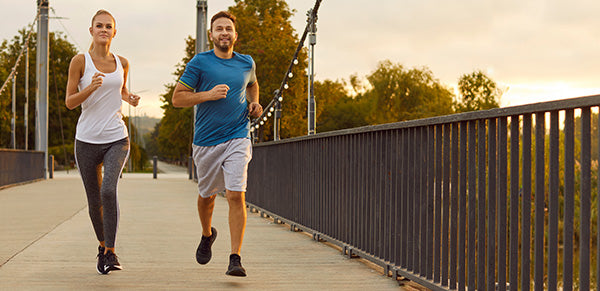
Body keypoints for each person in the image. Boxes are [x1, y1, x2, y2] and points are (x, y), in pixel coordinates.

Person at [172, 10, 262, 277]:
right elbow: (178, 99)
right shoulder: (200, 63)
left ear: (235, 35)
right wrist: (207, 95)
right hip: (206, 141)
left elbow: (253, 85)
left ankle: (235, 257)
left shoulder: (246, 63)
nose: (224, 33)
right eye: (219, 29)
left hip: (238, 135)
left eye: (228, 29)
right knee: (207, 197)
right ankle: (207, 233)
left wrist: (254, 103)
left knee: (236, 194)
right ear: (211, 35)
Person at [65, 9, 140, 275]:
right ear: (91, 30)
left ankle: (111, 251)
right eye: (99, 25)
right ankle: (101, 246)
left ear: (114, 32)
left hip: (116, 138)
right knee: (94, 199)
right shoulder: (80, 61)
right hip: (85, 140)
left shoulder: (122, 62)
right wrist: (89, 88)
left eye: (108, 26)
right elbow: (70, 102)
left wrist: (129, 98)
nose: (104, 30)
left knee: (109, 191)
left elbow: (119, 90)